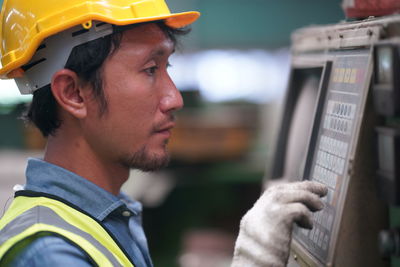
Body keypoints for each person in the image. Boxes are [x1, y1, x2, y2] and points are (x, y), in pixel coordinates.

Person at [0, 0, 327, 266]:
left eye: (166, 68)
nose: (175, 98)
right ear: (73, 93)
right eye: (150, 70)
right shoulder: (50, 253)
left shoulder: (111, 214)